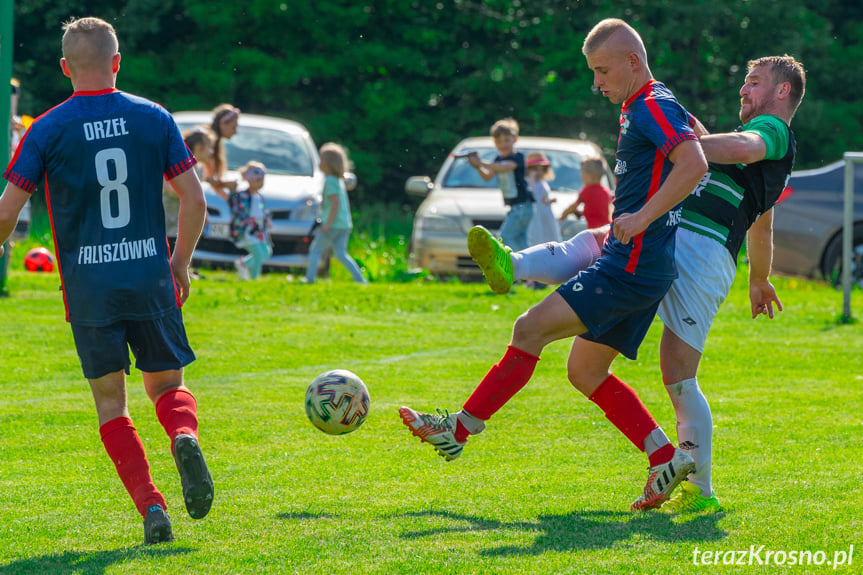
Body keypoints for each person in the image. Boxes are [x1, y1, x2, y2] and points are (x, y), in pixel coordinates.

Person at [464, 55, 806, 514]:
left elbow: (741, 150)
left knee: (678, 374)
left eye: (754, 82)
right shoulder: (756, 148)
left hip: (703, 254)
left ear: (782, 92)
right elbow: (763, 223)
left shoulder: (773, 133)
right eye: (744, 82)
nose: (743, 90)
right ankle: (512, 263)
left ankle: (699, 490)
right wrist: (759, 278)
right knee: (602, 245)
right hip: (678, 235)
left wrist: (690, 141)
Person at [400, 18, 708, 511]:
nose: (596, 83)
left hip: (629, 266)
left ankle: (458, 428)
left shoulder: (651, 102)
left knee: (528, 328)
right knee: (585, 371)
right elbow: (696, 138)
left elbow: (695, 162)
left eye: (603, 71)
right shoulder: (651, 101)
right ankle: (663, 458)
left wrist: (645, 216)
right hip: (643, 269)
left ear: (633, 62)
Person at [0, 17, 212, 544]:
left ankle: (151, 508)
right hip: (148, 273)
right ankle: (183, 435)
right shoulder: (154, 117)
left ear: (65, 68)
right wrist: (179, 262)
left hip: (89, 287)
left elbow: (6, 215)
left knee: (111, 404)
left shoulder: (46, 128)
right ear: (117, 62)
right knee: (166, 385)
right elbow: (194, 198)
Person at [467, 118, 534, 252]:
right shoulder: (497, 159)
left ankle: (511, 268)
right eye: (499, 141)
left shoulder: (517, 157)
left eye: (506, 140)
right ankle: (529, 269)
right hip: (516, 207)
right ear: (495, 143)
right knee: (519, 241)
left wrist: (481, 162)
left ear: (514, 139)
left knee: (504, 238)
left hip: (522, 206)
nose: (503, 144)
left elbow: (504, 168)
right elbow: (487, 176)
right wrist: (478, 167)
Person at [305, 143, 367, 284]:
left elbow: (334, 204)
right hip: (344, 224)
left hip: (332, 224)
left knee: (315, 250)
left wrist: (327, 224)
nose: (319, 163)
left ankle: (309, 279)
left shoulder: (330, 181)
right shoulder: (338, 181)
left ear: (327, 163)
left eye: (321, 160)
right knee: (341, 254)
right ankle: (360, 279)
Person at [229, 161, 273, 280]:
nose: (260, 183)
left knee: (266, 252)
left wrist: (267, 219)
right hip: (248, 229)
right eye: (258, 180)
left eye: (262, 180)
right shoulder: (242, 195)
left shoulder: (260, 197)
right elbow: (236, 207)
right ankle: (254, 277)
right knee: (258, 253)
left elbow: (262, 210)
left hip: (259, 230)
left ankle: (244, 263)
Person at [560, 157, 613, 230]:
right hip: (606, 229)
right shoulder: (606, 192)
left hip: (593, 230)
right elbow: (598, 211)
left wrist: (563, 216)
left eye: (582, 173)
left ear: (590, 176)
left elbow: (573, 207)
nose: (581, 177)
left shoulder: (586, 192)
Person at [525, 152, 561, 247]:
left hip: (545, 214)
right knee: (536, 234)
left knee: (548, 233)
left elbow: (543, 199)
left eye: (542, 169)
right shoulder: (529, 183)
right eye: (535, 169)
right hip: (535, 215)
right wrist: (531, 178)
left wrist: (550, 201)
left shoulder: (543, 183)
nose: (539, 172)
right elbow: (531, 194)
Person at [203, 103, 240, 196]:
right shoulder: (206, 141)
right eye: (233, 127)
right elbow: (202, 176)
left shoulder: (214, 141)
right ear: (223, 124)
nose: (235, 132)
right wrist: (224, 185)